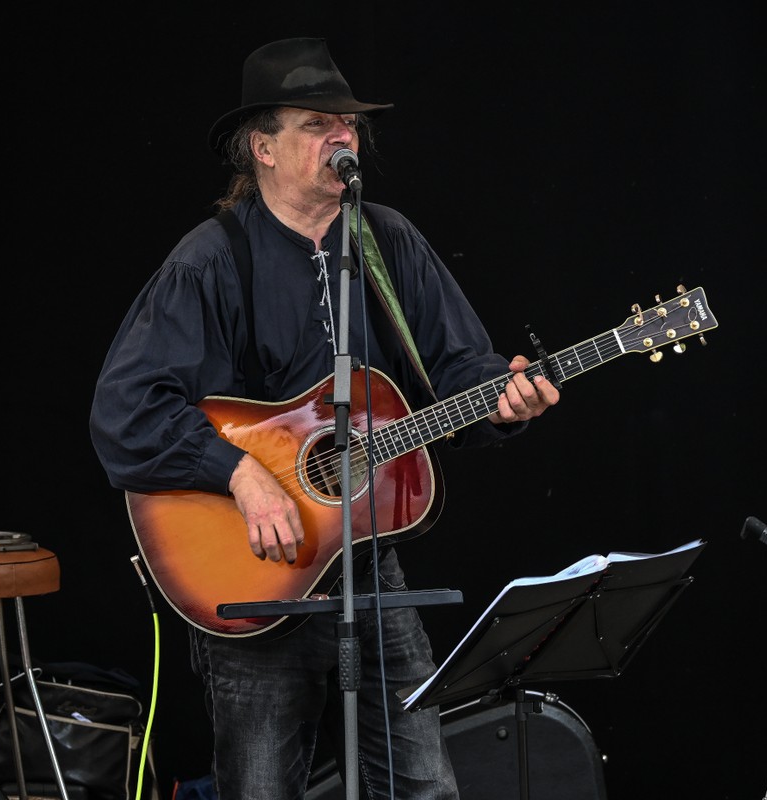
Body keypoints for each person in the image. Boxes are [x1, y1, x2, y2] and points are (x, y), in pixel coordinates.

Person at [89, 37, 559, 800]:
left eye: (347, 123)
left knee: (426, 789)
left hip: (368, 570)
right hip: (253, 577)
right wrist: (240, 474)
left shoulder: (388, 240)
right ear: (262, 147)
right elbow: (123, 411)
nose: (343, 135)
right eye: (317, 123)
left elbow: (459, 372)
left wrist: (506, 399)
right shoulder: (209, 261)